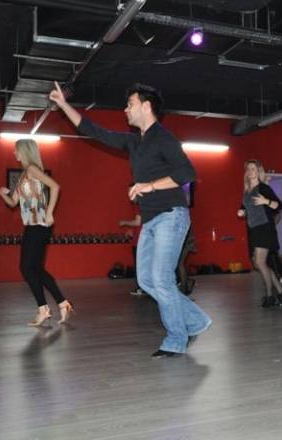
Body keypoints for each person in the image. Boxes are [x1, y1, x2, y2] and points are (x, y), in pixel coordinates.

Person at [49, 81, 211, 358]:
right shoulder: (135, 142)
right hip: (151, 220)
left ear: (146, 107)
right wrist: (64, 105)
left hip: (171, 216)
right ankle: (196, 320)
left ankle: (176, 339)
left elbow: (187, 173)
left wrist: (149, 185)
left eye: (130, 104)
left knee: (161, 279)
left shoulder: (164, 139)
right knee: (146, 280)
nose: (125, 109)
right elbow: (94, 131)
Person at [0, 139, 74, 326]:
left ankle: (44, 309)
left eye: (16, 150)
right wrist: (3, 194)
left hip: (39, 224)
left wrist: (49, 212)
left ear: (24, 151)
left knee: (26, 268)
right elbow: (13, 202)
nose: (14, 153)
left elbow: (55, 186)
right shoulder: (24, 175)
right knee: (36, 269)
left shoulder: (32, 169)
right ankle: (62, 304)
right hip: (32, 225)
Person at [237, 160, 282, 308]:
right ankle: (281, 291)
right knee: (258, 263)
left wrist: (266, 201)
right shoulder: (247, 191)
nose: (250, 171)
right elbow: (245, 208)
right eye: (248, 169)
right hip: (253, 230)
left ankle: (269, 296)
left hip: (264, 228)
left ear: (258, 171)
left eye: (253, 168)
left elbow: (279, 205)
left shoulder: (264, 188)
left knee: (260, 263)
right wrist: (242, 212)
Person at [118, 209, 146, 296]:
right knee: (142, 266)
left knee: (139, 267)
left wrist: (124, 222)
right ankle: (144, 288)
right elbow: (140, 224)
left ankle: (141, 288)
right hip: (141, 241)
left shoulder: (139, 207)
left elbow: (138, 222)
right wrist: (133, 231)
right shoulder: (143, 208)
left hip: (139, 242)